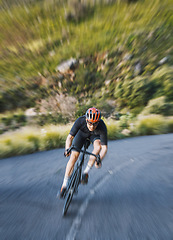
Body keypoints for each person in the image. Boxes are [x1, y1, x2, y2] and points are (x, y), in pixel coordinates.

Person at [59, 107, 108, 198]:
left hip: (94, 136)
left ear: (98, 122)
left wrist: (99, 159)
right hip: (81, 135)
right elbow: (69, 138)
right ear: (86, 119)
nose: (92, 126)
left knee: (98, 147)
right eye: (90, 123)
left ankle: (85, 173)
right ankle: (64, 185)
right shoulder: (80, 121)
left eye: (95, 123)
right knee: (74, 156)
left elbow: (104, 148)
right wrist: (67, 149)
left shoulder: (102, 126)